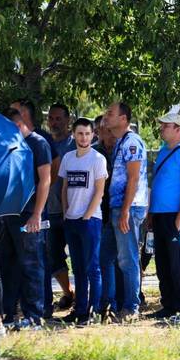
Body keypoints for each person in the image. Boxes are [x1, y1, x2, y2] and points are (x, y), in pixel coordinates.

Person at [0, 107, 52, 329]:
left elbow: (45, 180)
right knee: (8, 264)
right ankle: (9, 315)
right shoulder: (9, 146)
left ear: (18, 125)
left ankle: (34, 316)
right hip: (9, 215)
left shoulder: (38, 143)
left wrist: (37, 214)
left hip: (29, 215)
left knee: (31, 264)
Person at [147, 109, 180, 324]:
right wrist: (151, 213)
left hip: (176, 216)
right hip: (160, 215)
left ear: (178, 130)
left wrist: (179, 218)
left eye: (166, 126)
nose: (162, 129)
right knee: (162, 262)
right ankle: (169, 305)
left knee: (177, 263)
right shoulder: (162, 151)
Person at [58, 118, 108, 325]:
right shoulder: (68, 158)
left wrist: (87, 215)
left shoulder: (98, 159)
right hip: (71, 220)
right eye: (80, 133)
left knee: (92, 267)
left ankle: (94, 312)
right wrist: (65, 212)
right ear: (73, 134)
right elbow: (64, 188)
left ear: (93, 135)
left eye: (87, 133)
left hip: (90, 220)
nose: (84, 137)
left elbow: (99, 190)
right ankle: (79, 310)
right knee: (77, 268)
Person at [104, 102, 149, 321]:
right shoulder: (121, 142)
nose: (106, 116)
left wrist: (125, 210)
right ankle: (111, 305)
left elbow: (133, 178)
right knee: (108, 257)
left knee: (127, 258)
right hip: (119, 207)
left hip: (128, 208)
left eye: (110, 113)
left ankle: (131, 307)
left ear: (123, 119)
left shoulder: (132, 142)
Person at [45, 103, 76, 316]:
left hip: (72, 211)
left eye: (58, 118)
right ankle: (68, 292)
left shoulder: (75, 144)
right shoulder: (44, 143)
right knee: (53, 256)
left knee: (78, 255)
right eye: (51, 118)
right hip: (49, 210)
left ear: (68, 120)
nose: (54, 122)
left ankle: (83, 297)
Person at [93, 118, 119, 322]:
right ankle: (106, 304)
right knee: (103, 259)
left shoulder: (123, 150)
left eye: (111, 130)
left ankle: (121, 301)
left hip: (120, 210)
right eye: (104, 130)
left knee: (123, 259)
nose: (108, 134)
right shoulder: (93, 152)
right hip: (99, 213)